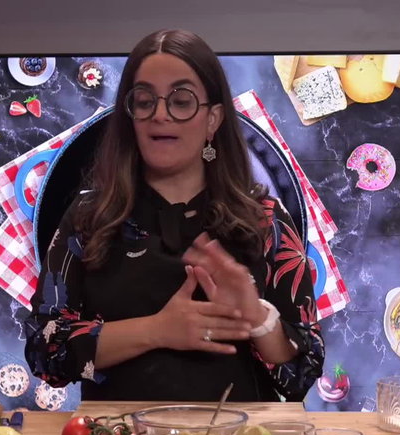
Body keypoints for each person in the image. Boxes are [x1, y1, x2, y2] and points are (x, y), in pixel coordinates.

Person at [24, 29, 324, 402]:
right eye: (144, 100)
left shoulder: (265, 220)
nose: (160, 114)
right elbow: (45, 353)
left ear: (213, 119)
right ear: (131, 117)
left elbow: (302, 374)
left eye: (181, 101)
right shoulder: (89, 217)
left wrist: (258, 319)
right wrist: (158, 330)